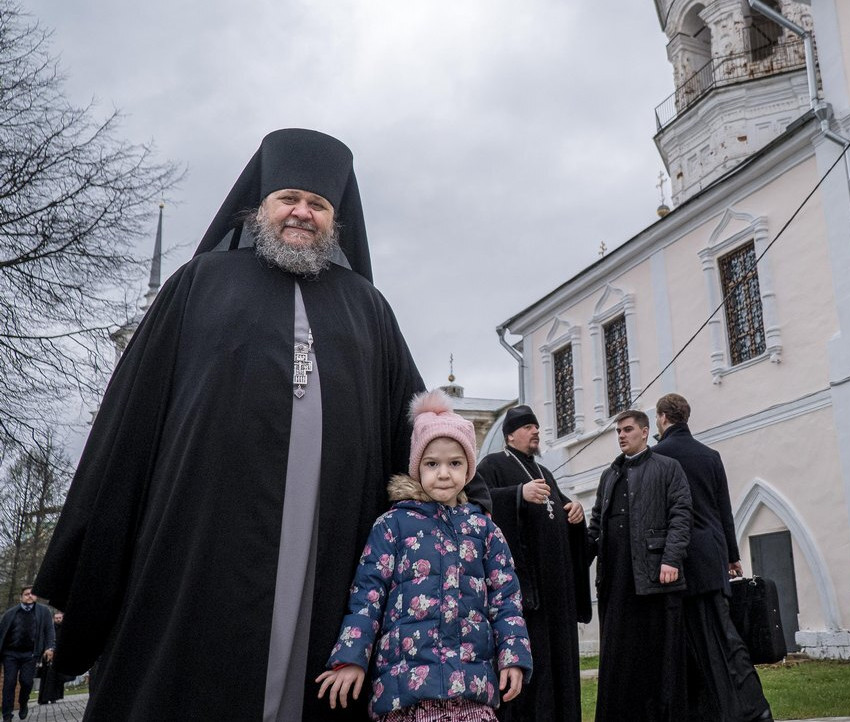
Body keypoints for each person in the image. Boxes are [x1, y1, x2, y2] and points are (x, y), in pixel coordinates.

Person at [34, 128, 424, 721]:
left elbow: (414, 420)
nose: (302, 212)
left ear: (335, 221)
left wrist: (463, 490)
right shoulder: (199, 283)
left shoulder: (367, 306)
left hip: (333, 544)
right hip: (199, 538)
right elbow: (129, 420)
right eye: (289, 198)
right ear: (259, 207)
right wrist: (84, 546)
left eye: (318, 204)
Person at [317, 389, 531, 722]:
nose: (444, 473)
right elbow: (367, 596)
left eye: (455, 463)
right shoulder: (392, 525)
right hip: (406, 693)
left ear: (469, 468)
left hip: (470, 690)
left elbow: (506, 599)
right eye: (432, 463)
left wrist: (513, 655)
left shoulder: (484, 529)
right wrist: (351, 658)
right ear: (417, 466)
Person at [464, 405, 591, 722]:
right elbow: (479, 504)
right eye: (527, 427)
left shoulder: (544, 472)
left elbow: (558, 508)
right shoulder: (492, 465)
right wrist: (519, 493)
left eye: (536, 426)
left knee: (559, 665)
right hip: (525, 591)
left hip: (556, 593)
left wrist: (575, 512)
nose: (536, 431)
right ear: (510, 435)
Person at [653, 394, 773, 722]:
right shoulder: (710, 455)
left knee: (702, 643)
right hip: (713, 557)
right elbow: (723, 510)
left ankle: (749, 708)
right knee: (722, 639)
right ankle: (738, 709)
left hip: (680, 561)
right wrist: (732, 556)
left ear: (662, 418)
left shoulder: (658, 457)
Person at [588, 409, 693, 722]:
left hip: (655, 579)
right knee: (620, 659)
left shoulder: (667, 467)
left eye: (628, 429)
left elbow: (681, 515)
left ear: (645, 432)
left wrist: (671, 558)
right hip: (616, 580)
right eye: (618, 431)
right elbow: (596, 524)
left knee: (657, 659)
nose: (621, 435)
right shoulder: (609, 475)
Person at [0, 587, 54, 721]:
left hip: (30, 654)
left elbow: (49, 631)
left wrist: (50, 647)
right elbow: (2, 633)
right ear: (21, 597)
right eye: (26, 594)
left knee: (26, 682)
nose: (30, 596)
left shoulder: (43, 612)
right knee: (9, 682)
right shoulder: (10, 613)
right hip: (10, 654)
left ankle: (23, 703)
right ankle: (7, 715)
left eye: (32, 594)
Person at [36, 611, 68, 705]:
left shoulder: (64, 629)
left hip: (59, 655)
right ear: (54, 619)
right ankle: (44, 698)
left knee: (56, 677)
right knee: (46, 677)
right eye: (56, 618)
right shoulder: (50, 628)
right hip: (49, 654)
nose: (58, 620)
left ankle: (54, 697)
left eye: (60, 618)